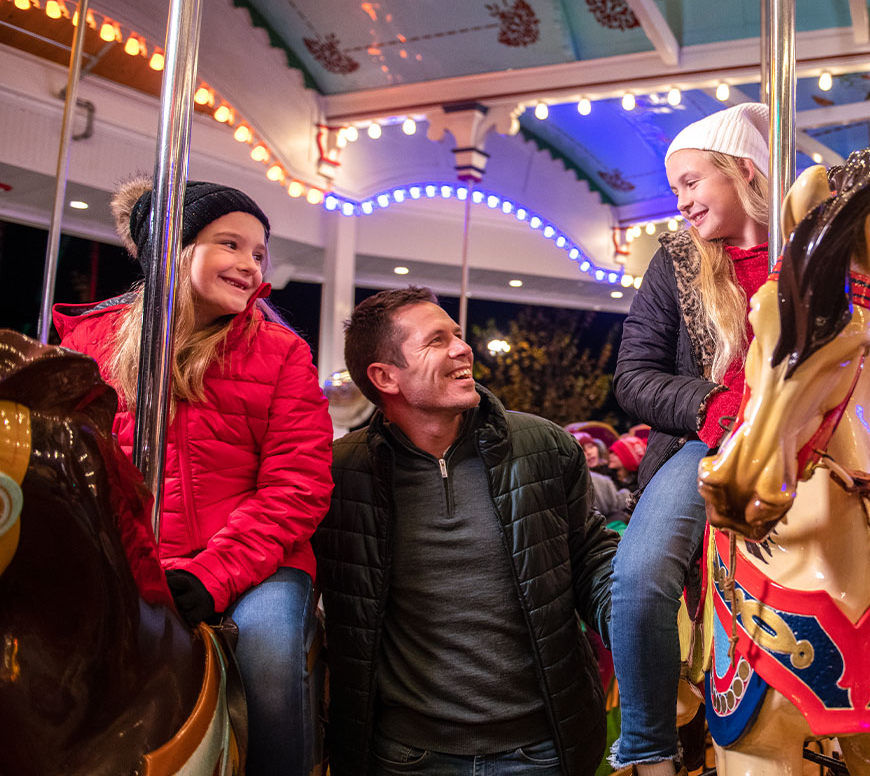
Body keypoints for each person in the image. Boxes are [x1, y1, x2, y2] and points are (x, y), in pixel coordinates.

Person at [610, 103, 870, 775]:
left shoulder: (809, 253)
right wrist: (714, 408)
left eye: (691, 182)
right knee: (641, 574)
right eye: (676, 187)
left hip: (812, 443)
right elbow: (633, 376)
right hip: (710, 443)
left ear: (743, 171)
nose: (680, 200)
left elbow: (856, 360)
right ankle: (649, 745)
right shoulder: (677, 264)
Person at [53, 178, 332, 776]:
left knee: (271, 655)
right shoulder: (92, 345)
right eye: (229, 245)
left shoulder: (281, 354)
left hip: (252, 563)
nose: (250, 265)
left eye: (259, 253)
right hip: (129, 555)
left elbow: (297, 486)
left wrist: (212, 574)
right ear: (171, 251)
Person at [314, 287, 618, 776]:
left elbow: (588, 556)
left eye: (458, 334)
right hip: (406, 756)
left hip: (541, 748)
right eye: (437, 341)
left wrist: (634, 614)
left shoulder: (543, 446)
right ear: (385, 376)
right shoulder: (339, 475)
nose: (463, 347)